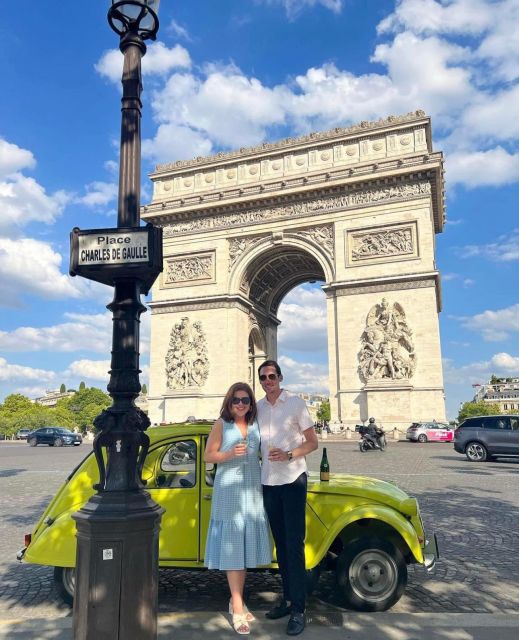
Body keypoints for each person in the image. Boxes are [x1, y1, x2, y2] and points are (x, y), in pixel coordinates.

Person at [257, 360, 319, 636]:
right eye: (263, 377)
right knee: (280, 546)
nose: (268, 381)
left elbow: (312, 442)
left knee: (294, 545)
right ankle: (287, 599)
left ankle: (299, 610)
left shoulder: (295, 404)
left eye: (272, 376)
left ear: (280, 378)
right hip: (269, 482)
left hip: (293, 479)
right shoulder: (257, 407)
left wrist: (290, 454)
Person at [204, 382, 271, 636]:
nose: (240, 404)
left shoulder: (255, 424)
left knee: (242, 546)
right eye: (236, 400)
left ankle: (236, 600)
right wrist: (230, 453)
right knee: (233, 545)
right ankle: (238, 606)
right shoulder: (221, 424)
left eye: (245, 400)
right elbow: (208, 456)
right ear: (229, 402)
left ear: (251, 403)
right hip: (230, 490)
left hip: (251, 490)